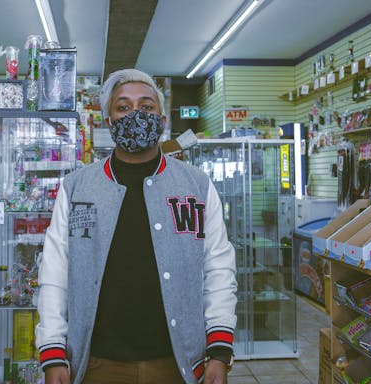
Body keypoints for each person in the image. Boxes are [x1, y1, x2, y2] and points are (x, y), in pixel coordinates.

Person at [35, 68, 237, 384]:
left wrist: (220, 351)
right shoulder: (77, 188)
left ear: (162, 118)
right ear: (108, 120)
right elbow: (55, 273)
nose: (136, 115)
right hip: (94, 365)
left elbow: (218, 268)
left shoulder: (195, 186)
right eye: (123, 107)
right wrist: (52, 352)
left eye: (147, 106)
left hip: (178, 364)